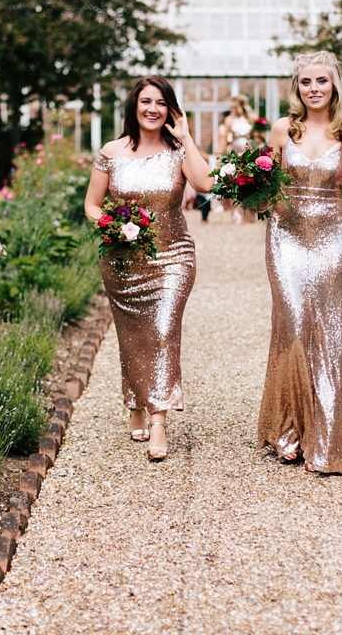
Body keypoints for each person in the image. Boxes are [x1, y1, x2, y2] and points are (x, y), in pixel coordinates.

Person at [256, 51, 342, 474]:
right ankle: (288, 430)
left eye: (321, 81)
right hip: (285, 236)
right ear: (297, 88)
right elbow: (269, 188)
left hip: (332, 238)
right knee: (291, 323)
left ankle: (324, 439)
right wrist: (249, 186)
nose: (314, 89)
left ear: (334, 85)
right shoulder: (284, 129)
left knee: (329, 330)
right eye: (306, 82)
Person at [84, 76, 212, 460]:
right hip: (123, 260)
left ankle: (158, 419)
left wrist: (187, 136)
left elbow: (204, 183)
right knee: (133, 335)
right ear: (134, 107)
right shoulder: (112, 151)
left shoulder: (177, 152)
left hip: (174, 256)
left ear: (170, 109)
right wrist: (110, 227)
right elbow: (92, 205)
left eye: (160, 102)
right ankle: (135, 403)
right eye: (145, 102)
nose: (152, 109)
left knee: (162, 332)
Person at [217, 95, 257, 223]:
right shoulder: (229, 120)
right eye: (232, 107)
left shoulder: (251, 118)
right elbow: (224, 139)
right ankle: (236, 213)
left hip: (249, 154)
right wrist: (221, 157)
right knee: (235, 183)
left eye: (235, 107)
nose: (233, 110)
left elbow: (257, 137)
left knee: (250, 182)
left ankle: (249, 212)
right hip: (234, 154)